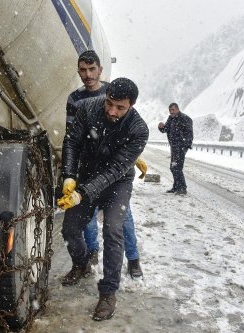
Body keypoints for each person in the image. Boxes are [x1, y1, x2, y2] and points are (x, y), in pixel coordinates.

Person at [58, 78, 149, 321]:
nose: (112, 111)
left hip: (117, 182)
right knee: (69, 229)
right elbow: (72, 142)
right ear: (105, 95)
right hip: (86, 176)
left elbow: (116, 168)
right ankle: (81, 264)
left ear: (131, 105)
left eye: (120, 108)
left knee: (113, 230)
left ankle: (108, 292)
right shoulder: (88, 108)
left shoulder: (139, 129)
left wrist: (82, 193)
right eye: (109, 103)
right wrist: (68, 176)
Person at [65, 50, 146, 278]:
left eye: (92, 69)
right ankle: (91, 254)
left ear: (101, 70)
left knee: (119, 222)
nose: (88, 74)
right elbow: (72, 137)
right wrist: (70, 174)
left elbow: (126, 136)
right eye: (83, 70)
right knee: (86, 220)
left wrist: (132, 155)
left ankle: (132, 258)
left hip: (115, 173)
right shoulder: (76, 100)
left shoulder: (116, 91)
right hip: (90, 166)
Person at [158, 103, 193, 195]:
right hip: (173, 147)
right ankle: (176, 187)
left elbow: (189, 134)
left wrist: (185, 146)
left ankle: (182, 188)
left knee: (177, 167)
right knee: (173, 167)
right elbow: (165, 129)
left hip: (181, 147)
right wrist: (160, 127)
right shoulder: (171, 118)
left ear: (177, 109)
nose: (171, 112)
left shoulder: (185, 118)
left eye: (173, 110)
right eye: (170, 110)